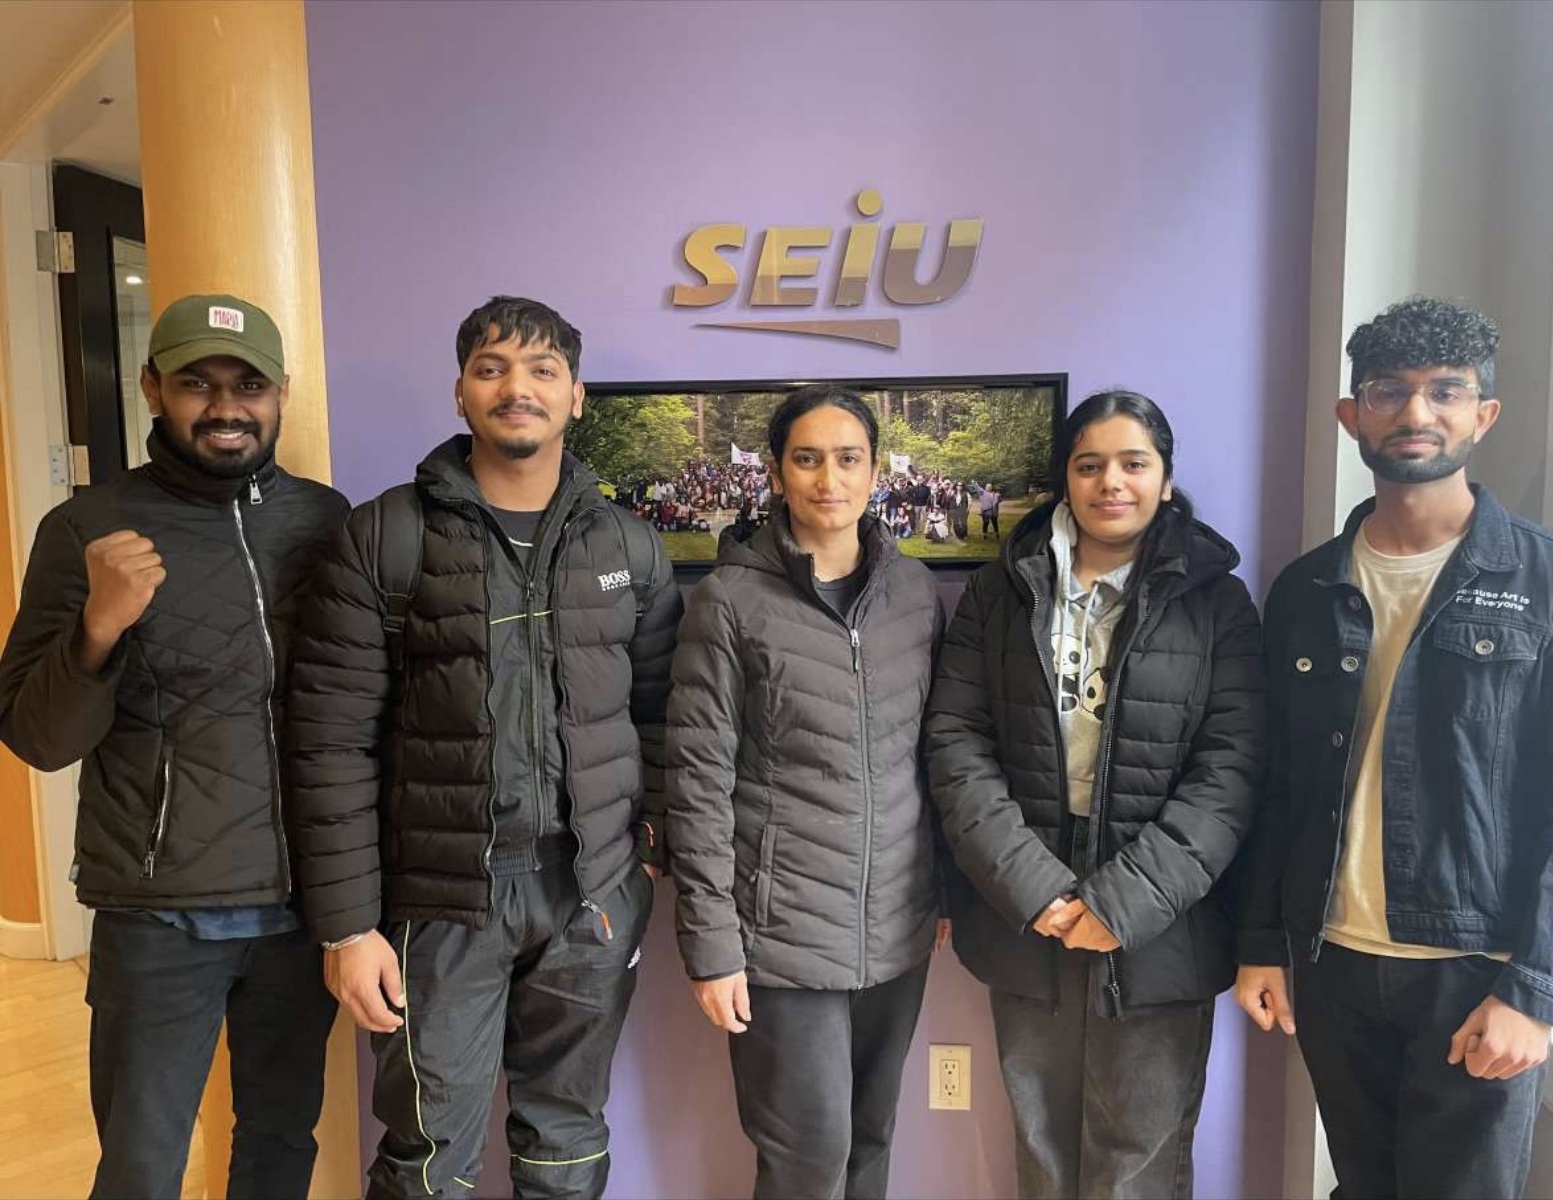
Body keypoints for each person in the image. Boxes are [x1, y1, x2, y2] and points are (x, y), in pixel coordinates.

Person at [288, 295, 682, 1200]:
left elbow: (662, 716)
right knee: (429, 1158)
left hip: (592, 895)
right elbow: (329, 743)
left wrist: (644, 851)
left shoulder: (629, 546)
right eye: (493, 368)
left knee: (569, 1137)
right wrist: (348, 926)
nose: (519, 388)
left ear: (576, 396)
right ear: (460, 392)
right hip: (442, 900)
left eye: (543, 370)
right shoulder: (385, 537)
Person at [1234, 297, 1553, 1200]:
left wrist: (1539, 992)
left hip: (1475, 972)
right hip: (1334, 961)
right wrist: (1263, 942)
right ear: (1351, 414)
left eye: (1445, 391)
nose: (1416, 414)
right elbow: (1279, 784)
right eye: (1389, 391)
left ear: (1485, 414)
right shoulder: (1306, 589)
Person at [0, 293, 347, 1199]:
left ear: (281, 393)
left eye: (249, 384)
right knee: (141, 1167)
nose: (226, 406)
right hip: (158, 913)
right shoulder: (86, 530)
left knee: (280, 1143)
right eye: (197, 382)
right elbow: (37, 738)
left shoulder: (326, 520)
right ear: (153, 388)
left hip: (301, 909)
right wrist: (97, 632)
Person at [927, 390, 1266, 1200]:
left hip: (1163, 918)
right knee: (1042, 1149)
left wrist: (1126, 901)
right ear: (1066, 481)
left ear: (1166, 478)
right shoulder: (999, 592)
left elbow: (1232, 769)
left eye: (1133, 463)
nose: (1111, 482)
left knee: (1137, 1160)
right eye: (1090, 465)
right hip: (1027, 903)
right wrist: (1033, 887)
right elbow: (955, 742)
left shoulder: (1218, 602)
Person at [667, 386, 949, 1200]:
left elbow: (933, 758)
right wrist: (713, 945)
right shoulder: (729, 602)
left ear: (874, 471)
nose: (830, 477)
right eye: (808, 458)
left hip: (895, 930)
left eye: (848, 457)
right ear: (779, 473)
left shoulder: (913, 594)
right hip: (780, 938)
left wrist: (938, 894)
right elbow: (697, 781)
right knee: (807, 1161)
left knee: (870, 1141)